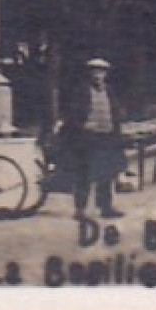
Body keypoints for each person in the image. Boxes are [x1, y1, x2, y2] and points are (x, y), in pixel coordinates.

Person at [58, 58, 125, 220]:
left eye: (101, 72)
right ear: (89, 73)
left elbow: (115, 112)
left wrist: (117, 132)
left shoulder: (109, 90)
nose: (98, 75)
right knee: (84, 173)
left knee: (106, 173)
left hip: (107, 137)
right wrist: (83, 125)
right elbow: (72, 114)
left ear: (106, 74)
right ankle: (80, 209)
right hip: (87, 139)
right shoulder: (81, 91)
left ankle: (105, 207)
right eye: (94, 71)